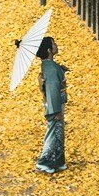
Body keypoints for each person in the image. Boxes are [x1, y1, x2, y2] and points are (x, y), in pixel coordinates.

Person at [35, 34, 67, 175]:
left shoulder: (49, 66)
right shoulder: (52, 70)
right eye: (53, 44)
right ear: (49, 50)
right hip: (55, 104)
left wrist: (61, 69)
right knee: (53, 132)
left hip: (54, 103)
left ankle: (58, 161)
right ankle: (44, 162)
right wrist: (56, 112)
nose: (56, 46)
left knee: (59, 132)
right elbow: (53, 89)